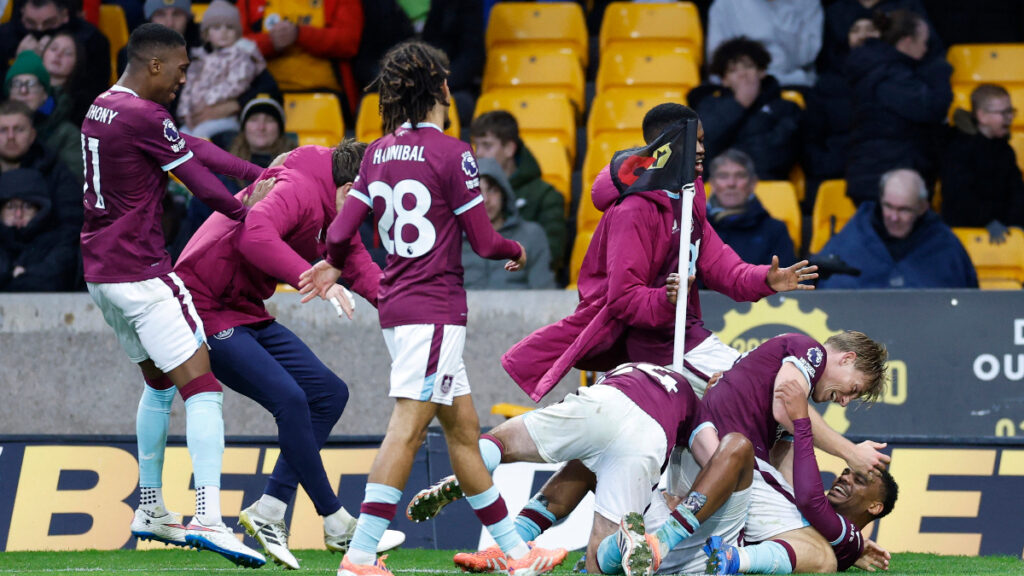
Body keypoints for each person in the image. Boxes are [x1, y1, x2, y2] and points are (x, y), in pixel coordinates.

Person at [298, 40, 566, 576]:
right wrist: (517, 249)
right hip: (436, 309)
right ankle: (358, 556)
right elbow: (486, 241)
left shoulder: (375, 154)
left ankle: (515, 553)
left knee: (463, 431)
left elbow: (343, 231)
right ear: (440, 88)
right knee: (407, 427)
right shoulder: (452, 153)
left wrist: (332, 262)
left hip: (399, 309)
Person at [80, 23, 268, 567]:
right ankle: (209, 516)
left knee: (159, 384)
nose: (186, 78)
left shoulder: (103, 106)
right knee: (204, 391)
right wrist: (257, 214)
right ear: (155, 65)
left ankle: (150, 507)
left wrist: (262, 172)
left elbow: (194, 147)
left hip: (101, 275)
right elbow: (204, 187)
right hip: (142, 275)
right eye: (182, 68)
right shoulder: (145, 116)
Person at [174, 140, 405, 569]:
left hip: (242, 308)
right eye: (369, 203)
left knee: (328, 393)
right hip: (202, 303)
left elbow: (359, 267)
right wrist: (315, 277)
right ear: (352, 187)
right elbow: (254, 235)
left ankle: (270, 511)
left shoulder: (337, 207)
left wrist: (409, 312)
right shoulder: (298, 186)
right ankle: (335, 520)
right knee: (291, 399)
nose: (369, 215)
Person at [407, 361, 754, 576]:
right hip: (648, 440)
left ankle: (476, 483)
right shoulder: (698, 410)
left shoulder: (634, 368)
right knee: (598, 561)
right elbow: (713, 454)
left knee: (503, 443)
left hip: (604, 399)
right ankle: (623, 541)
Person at [702, 377, 898, 575]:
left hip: (714, 495)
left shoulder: (845, 535)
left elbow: (811, 501)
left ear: (874, 506)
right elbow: (790, 449)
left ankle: (732, 557)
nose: (844, 478)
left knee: (824, 557)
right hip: (721, 476)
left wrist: (801, 419)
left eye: (859, 480)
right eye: (846, 472)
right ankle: (734, 558)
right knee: (825, 559)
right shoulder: (837, 535)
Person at [844, 9, 952, 205]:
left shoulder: (878, 68)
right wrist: (940, 72)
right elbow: (931, 107)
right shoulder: (889, 76)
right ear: (907, 41)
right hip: (884, 179)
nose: (926, 50)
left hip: (879, 175)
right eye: (923, 42)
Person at [817, 168, 978, 289]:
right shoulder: (850, 240)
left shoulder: (946, 246)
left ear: (923, 207)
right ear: (880, 200)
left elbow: (968, 303)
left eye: (904, 209)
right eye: (888, 206)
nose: (894, 217)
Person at [355, 0, 483, 128]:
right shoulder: (374, 4)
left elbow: (472, 55)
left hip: (446, 85)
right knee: (370, 108)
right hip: (394, 87)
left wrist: (435, 84)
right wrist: (396, 82)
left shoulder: (463, 4)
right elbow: (365, 60)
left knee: (461, 105)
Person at [689, 37, 802, 181]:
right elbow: (701, 147)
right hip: (716, 186)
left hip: (765, 185)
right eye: (733, 70)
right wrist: (739, 104)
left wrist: (727, 153)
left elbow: (778, 155)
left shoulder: (786, 108)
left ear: (761, 71)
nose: (742, 74)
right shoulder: (708, 105)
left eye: (748, 66)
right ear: (725, 80)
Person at [470, 110, 567, 273]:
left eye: (486, 145)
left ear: (509, 148)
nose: (478, 153)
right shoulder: (467, 192)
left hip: (524, 285)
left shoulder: (545, 196)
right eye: (476, 145)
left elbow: (551, 254)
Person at [235, 0, 363, 117]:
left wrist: (300, 34)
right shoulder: (248, 3)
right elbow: (231, 46)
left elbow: (349, 43)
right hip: (264, 93)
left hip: (324, 92)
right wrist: (270, 42)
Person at [802, 17, 879, 203]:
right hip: (835, 169)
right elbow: (810, 139)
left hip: (882, 173)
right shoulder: (827, 84)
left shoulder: (901, 79)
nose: (863, 36)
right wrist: (829, 163)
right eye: (855, 30)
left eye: (871, 28)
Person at [940, 84, 1024, 239]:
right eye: (1003, 113)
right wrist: (986, 221)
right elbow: (959, 196)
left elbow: (1016, 192)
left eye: (1010, 111)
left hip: (1002, 231)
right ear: (982, 116)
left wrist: (1016, 223)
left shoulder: (1005, 151)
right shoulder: (957, 149)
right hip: (967, 233)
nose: (1010, 117)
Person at [176, 0, 266, 140]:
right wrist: (186, 112)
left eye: (229, 27)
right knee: (180, 135)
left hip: (226, 118)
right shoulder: (199, 58)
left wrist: (207, 101)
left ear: (237, 33)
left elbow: (237, 83)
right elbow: (189, 87)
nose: (223, 32)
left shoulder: (241, 55)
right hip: (196, 116)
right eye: (217, 27)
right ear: (206, 34)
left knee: (200, 135)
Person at [462, 157, 555, 290]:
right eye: (477, 192)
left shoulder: (532, 235)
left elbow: (546, 296)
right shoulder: (451, 242)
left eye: (492, 190)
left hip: (523, 310)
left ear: (504, 193)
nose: (485, 200)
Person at [0, 0, 111, 107]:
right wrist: (21, 64)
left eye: (49, 23)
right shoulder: (5, 37)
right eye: (30, 22)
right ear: (22, 13)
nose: (40, 29)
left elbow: (94, 95)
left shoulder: (90, 40)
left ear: (65, 15)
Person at [0, 99, 80, 236]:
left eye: (19, 129)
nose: (11, 137)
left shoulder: (56, 172)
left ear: (32, 135)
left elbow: (72, 224)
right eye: (3, 130)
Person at [706, 149, 796, 266]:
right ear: (712, 184)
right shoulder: (694, 229)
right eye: (723, 176)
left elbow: (787, 280)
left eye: (740, 176)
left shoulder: (775, 230)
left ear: (753, 183)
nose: (731, 183)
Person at [4, 50, 82, 181]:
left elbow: (74, 184)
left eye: (31, 84)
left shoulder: (66, 135)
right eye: (16, 84)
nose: (23, 91)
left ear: (45, 94)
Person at [706, 0, 823, 87]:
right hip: (740, 87)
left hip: (793, 83)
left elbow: (806, 58)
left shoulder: (808, 3)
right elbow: (717, 64)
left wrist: (786, 13)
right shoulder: (724, 5)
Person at [0, 167, 78, 291]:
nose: (18, 214)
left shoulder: (58, 243)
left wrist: (10, 278)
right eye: (10, 206)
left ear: (40, 210)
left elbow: (53, 280)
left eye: (27, 206)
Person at [820, 0, 941, 77]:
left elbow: (931, 50)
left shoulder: (908, 6)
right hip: (846, 89)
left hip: (902, 83)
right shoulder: (837, 11)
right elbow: (828, 61)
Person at [40, 31, 90, 124]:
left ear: (77, 63)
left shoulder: (82, 105)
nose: (58, 54)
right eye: (54, 49)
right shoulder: (26, 89)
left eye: (67, 53)